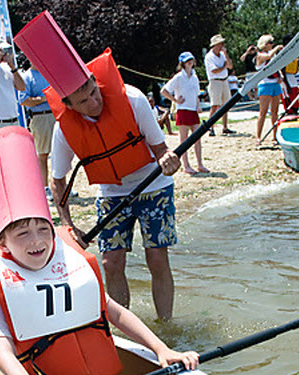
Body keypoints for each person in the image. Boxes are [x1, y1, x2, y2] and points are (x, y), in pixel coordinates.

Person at [0, 126, 198, 375]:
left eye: (43, 229)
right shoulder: (0, 279)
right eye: (22, 234)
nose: (37, 240)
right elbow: (2, 353)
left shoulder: (69, 260)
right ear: (4, 243)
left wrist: (161, 349)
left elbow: (115, 312)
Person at [15, 11, 181, 320]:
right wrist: (67, 223)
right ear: (69, 106)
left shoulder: (131, 99)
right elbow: (58, 181)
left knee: (156, 258)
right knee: (110, 263)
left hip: (153, 186)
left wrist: (169, 161)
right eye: (84, 100)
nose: (94, 102)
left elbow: (161, 151)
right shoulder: (65, 129)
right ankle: (124, 330)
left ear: (94, 80)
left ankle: (165, 325)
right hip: (112, 192)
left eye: (94, 91)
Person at [161, 51, 208, 174]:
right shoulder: (178, 77)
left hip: (193, 110)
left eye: (191, 60)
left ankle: (200, 164)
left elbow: (196, 94)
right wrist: (175, 100)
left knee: (197, 138)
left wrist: (198, 106)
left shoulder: (194, 77)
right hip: (182, 110)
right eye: (187, 61)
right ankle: (186, 165)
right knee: (184, 140)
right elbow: (164, 90)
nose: (190, 63)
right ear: (182, 63)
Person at [19, 65, 55, 196]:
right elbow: (24, 100)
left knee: (58, 153)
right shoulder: (27, 77)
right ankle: (45, 187)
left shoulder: (48, 73)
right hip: (40, 117)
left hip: (55, 115)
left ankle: (59, 185)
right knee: (43, 154)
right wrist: (45, 98)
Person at [204, 34, 235, 135]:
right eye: (220, 43)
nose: (222, 45)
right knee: (214, 105)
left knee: (225, 105)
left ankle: (225, 127)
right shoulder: (209, 57)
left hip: (224, 80)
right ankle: (210, 127)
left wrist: (226, 56)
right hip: (215, 81)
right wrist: (224, 66)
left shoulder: (222, 55)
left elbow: (230, 66)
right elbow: (214, 70)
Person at [254, 35, 283, 144]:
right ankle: (258, 136)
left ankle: (274, 136)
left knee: (275, 112)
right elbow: (269, 56)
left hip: (275, 84)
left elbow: (276, 66)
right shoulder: (260, 55)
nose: (272, 44)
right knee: (263, 112)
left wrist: (280, 77)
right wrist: (276, 49)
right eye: (269, 42)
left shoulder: (272, 55)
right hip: (265, 85)